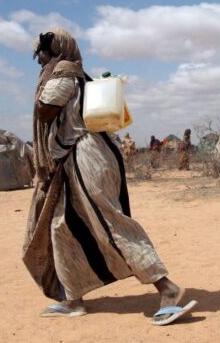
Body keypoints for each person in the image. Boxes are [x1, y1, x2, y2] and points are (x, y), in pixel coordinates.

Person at [21, 27, 196, 325]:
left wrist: (49, 72)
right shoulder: (71, 73)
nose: (38, 60)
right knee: (61, 226)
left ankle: (167, 289)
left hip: (86, 156)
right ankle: (73, 298)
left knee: (110, 223)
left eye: (41, 53)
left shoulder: (63, 71)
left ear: (55, 49)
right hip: (72, 158)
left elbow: (45, 110)